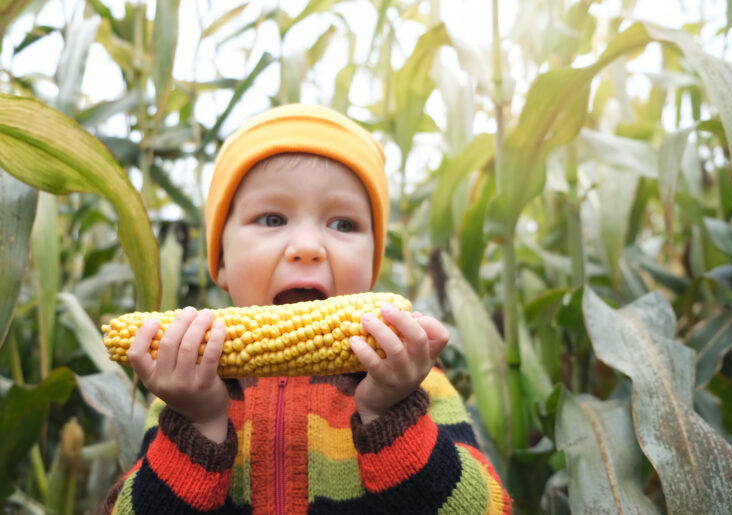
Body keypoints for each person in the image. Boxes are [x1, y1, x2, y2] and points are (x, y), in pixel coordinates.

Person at [102, 104, 512, 514]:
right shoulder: (185, 385)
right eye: (272, 218)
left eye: (343, 225)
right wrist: (198, 426)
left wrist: (393, 415)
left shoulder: (413, 382)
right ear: (221, 262)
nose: (308, 248)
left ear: (373, 265)